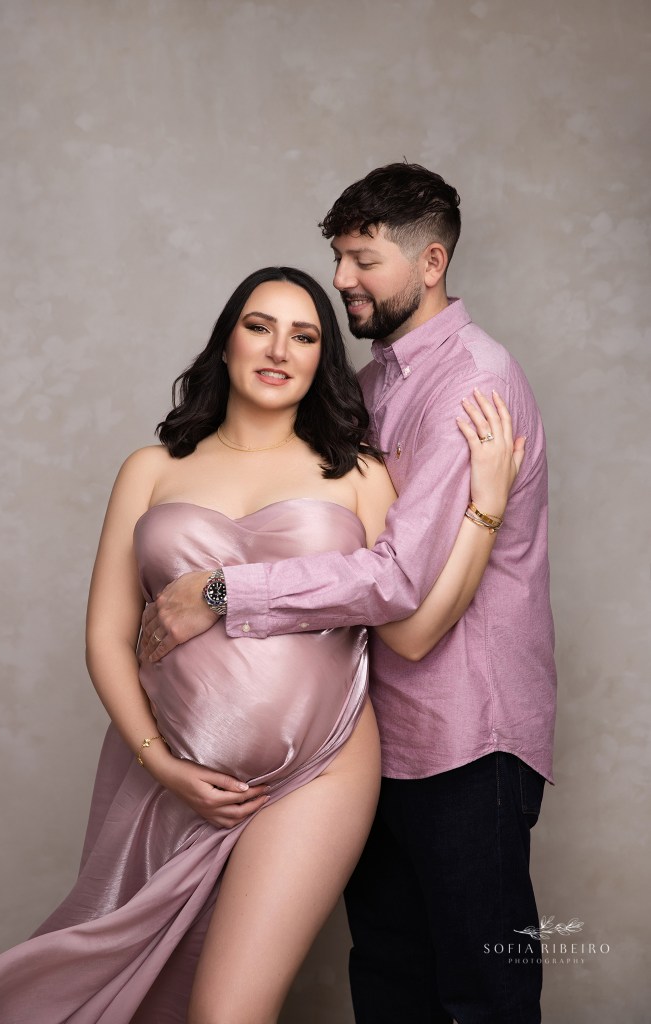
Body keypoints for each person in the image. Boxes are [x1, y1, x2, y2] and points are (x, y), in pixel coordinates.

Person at [0, 265, 522, 1024]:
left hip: (319, 771)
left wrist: (483, 509)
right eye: (260, 326)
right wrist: (160, 764)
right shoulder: (151, 469)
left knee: (226, 1012)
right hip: (168, 776)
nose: (278, 349)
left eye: (305, 336)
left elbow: (412, 627)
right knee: (126, 997)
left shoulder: (359, 474)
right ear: (226, 340)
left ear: (321, 361)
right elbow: (104, 635)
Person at [140, 165, 557, 1024]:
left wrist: (222, 590)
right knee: (392, 980)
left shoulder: (470, 384)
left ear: (431, 262)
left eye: (363, 260)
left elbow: (396, 583)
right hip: (370, 740)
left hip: (464, 735)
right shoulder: (368, 389)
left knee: (480, 992)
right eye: (337, 257)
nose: (342, 282)